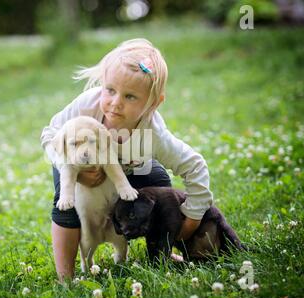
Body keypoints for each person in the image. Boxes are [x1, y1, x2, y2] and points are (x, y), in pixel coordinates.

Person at [40, 38, 213, 281]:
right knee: (66, 200)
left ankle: (160, 248)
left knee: (159, 179)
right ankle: (65, 275)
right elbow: (49, 134)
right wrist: (73, 170)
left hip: (125, 171)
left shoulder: (154, 135)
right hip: (74, 163)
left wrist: (193, 217)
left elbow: (195, 166)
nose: (115, 103)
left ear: (153, 103)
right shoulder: (87, 106)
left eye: (130, 97)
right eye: (110, 90)